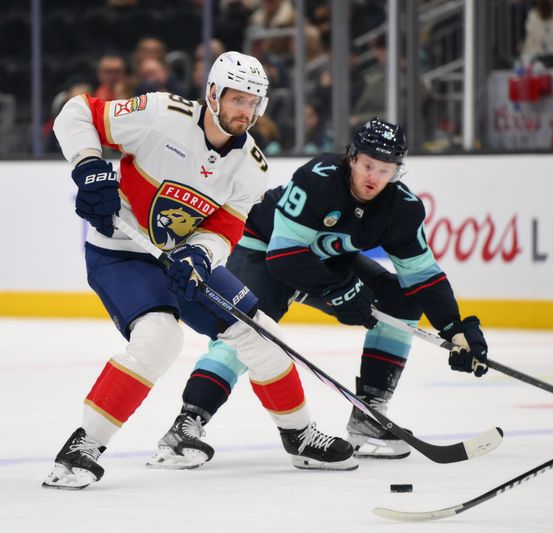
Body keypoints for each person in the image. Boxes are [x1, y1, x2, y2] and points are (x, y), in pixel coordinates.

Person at [42, 51, 357, 490]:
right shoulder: (160, 114)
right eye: (236, 100)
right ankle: (82, 447)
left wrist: (200, 255)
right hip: (121, 252)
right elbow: (75, 113)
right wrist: (89, 166)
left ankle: (299, 435)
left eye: (253, 102)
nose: (245, 111)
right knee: (160, 337)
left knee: (260, 332)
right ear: (213, 94)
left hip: (181, 257)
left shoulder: (251, 166)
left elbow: (224, 230)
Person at [149, 117, 489, 469]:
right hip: (262, 248)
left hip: (324, 258)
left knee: (400, 299)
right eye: (368, 165)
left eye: (385, 170)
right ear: (352, 157)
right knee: (248, 329)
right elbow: (284, 257)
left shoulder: (403, 208)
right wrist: (338, 291)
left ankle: (368, 416)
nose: (374, 177)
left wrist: (454, 328)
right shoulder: (320, 178)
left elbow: (422, 276)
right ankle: (186, 425)